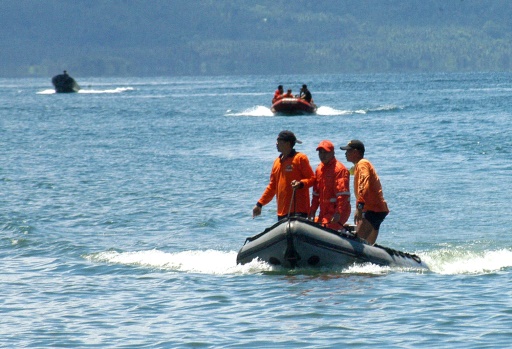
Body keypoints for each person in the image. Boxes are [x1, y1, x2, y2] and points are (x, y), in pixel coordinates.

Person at [253, 130, 315, 221]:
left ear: (287, 143)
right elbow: (272, 187)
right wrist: (260, 204)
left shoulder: (300, 158)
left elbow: (312, 179)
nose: (276, 143)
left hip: (299, 210)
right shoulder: (276, 162)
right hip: (282, 211)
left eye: (279, 141)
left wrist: (301, 183)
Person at [341, 140, 389, 245]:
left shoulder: (362, 164)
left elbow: (364, 184)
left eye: (348, 151)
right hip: (375, 209)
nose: (345, 154)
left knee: (357, 243)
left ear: (356, 152)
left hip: (373, 210)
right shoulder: (359, 165)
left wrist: (359, 207)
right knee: (367, 245)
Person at [309, 140, 351, 230]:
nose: (322, 155)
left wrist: (338, 212)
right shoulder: (319, 169)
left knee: (326, 229)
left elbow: (343, 195)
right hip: (324, 211)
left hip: (338, 211)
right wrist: (312, 211)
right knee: (313, 227)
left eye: (326, 153)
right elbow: (316, 195)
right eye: (320, 152)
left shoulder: (339, 170)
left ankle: (341, 231)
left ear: (332, 153)